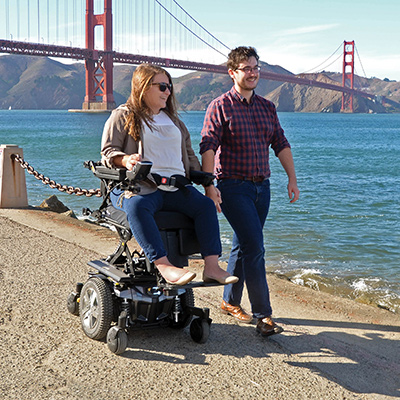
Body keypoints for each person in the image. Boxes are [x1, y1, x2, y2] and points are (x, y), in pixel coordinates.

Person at [101, 63, 238, 287]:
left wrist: (209, 186)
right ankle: (164, 266)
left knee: (204, 206)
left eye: (169, 86)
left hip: (175, 188)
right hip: (140, 186)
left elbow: (191, 157)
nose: (168, 92)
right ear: (143, 87)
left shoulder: (174, 121)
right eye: (162, 86)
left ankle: (212, 267)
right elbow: (107, 152)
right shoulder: (123, 116)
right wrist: (126, 160)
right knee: (137, 206)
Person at [200, 46, 300, 336]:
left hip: (262, 187)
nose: (253, 72)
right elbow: (208, 146)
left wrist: (292, 179)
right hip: (232, 186)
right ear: (232, 73)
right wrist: (209, 185)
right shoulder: (219, 106)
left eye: (256, 67)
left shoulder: (267, 107)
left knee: (243, 244)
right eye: (246, 68)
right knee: (255, 247)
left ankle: (230, 302)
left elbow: (280, 143)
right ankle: (263, 316)